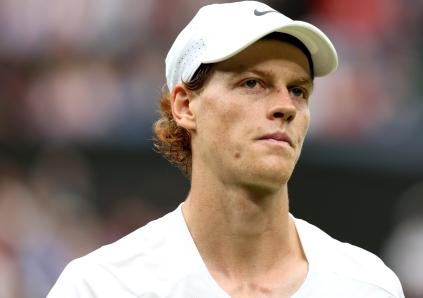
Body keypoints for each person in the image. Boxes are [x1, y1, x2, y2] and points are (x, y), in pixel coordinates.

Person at [48, 1, 404, 297]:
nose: (287, 106)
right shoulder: (101, 287)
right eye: (253, 83)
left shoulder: (370, 286)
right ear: (186, 106)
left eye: (298, 90)